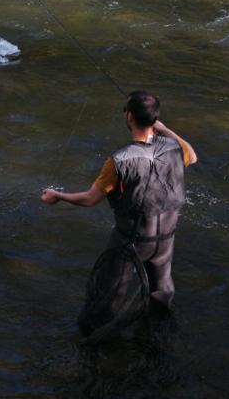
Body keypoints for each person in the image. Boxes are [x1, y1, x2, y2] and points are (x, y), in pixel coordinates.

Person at [41, 90, 197, 315]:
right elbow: (191, 155)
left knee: (110, 294)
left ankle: (100, 338)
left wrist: (58, 196)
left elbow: (90, 199)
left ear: (130, 118)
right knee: (162, 293)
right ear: (154, 119)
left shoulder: (119, 161)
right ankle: (158, 333)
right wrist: (163, 129)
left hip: (132, 241)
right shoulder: (174, 148)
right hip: (166, 239)